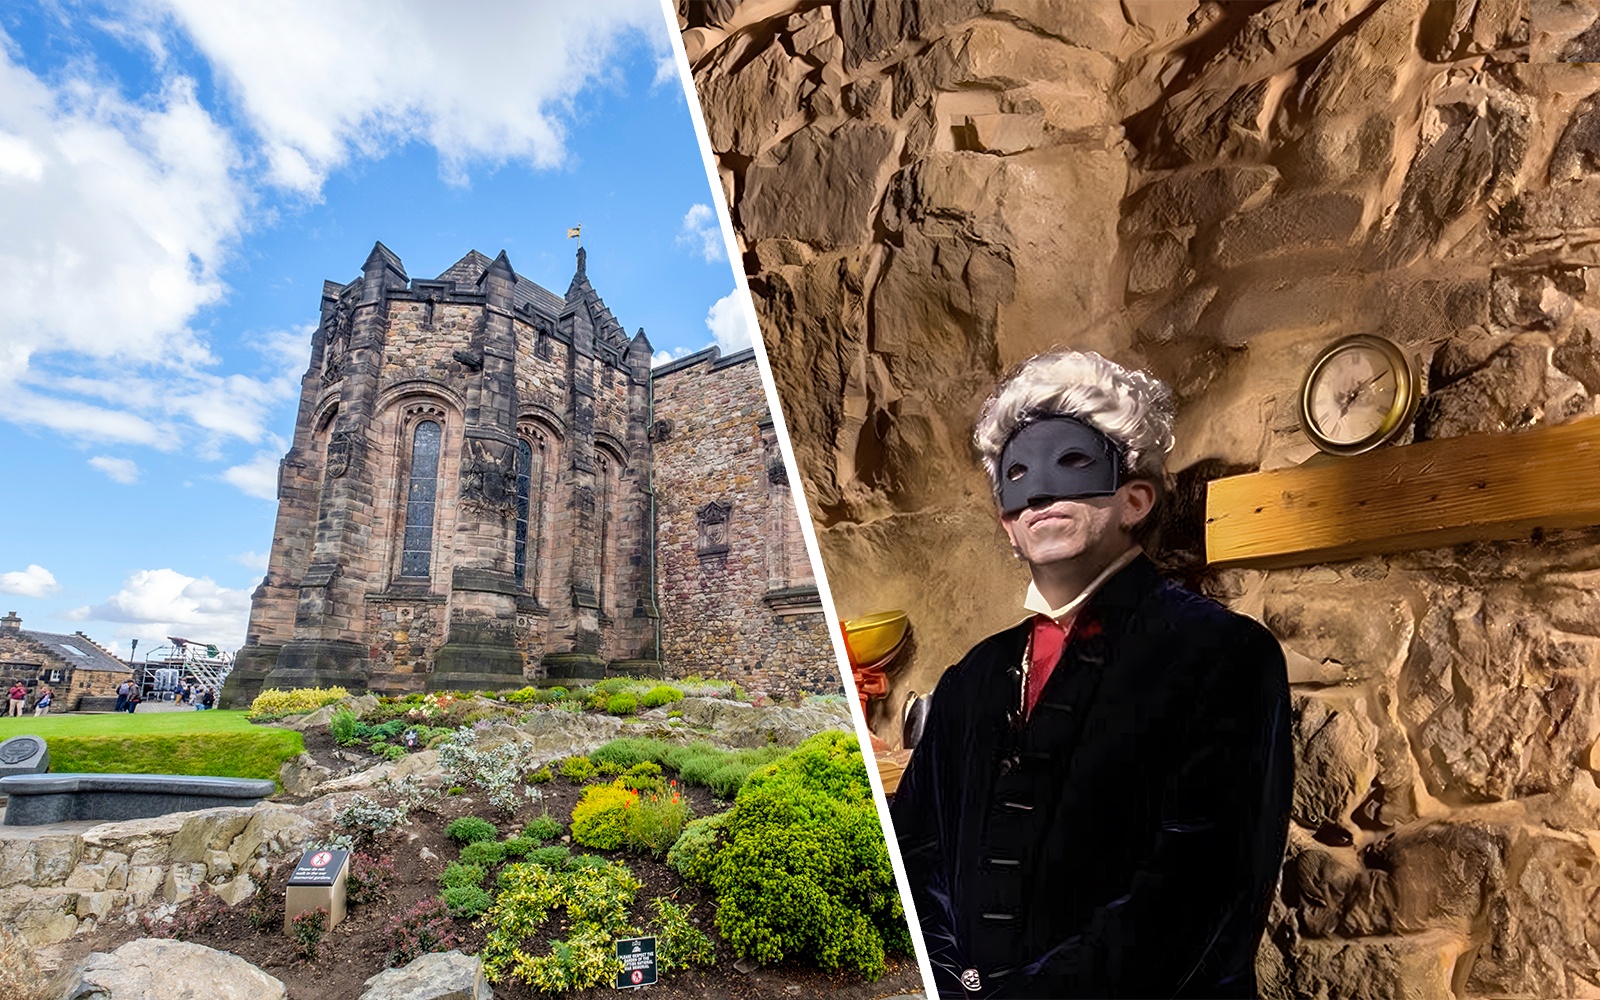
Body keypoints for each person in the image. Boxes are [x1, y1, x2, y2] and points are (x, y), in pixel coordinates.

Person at [889, 350, 1293, 999]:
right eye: (1018, 475)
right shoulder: (974, 676)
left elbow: (1197, 893)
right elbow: (915, 848)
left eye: (1072, 462)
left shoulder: (1224, 654)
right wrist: (953, 983)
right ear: (1008, 525)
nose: (1040, 493)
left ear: (1135, 498)